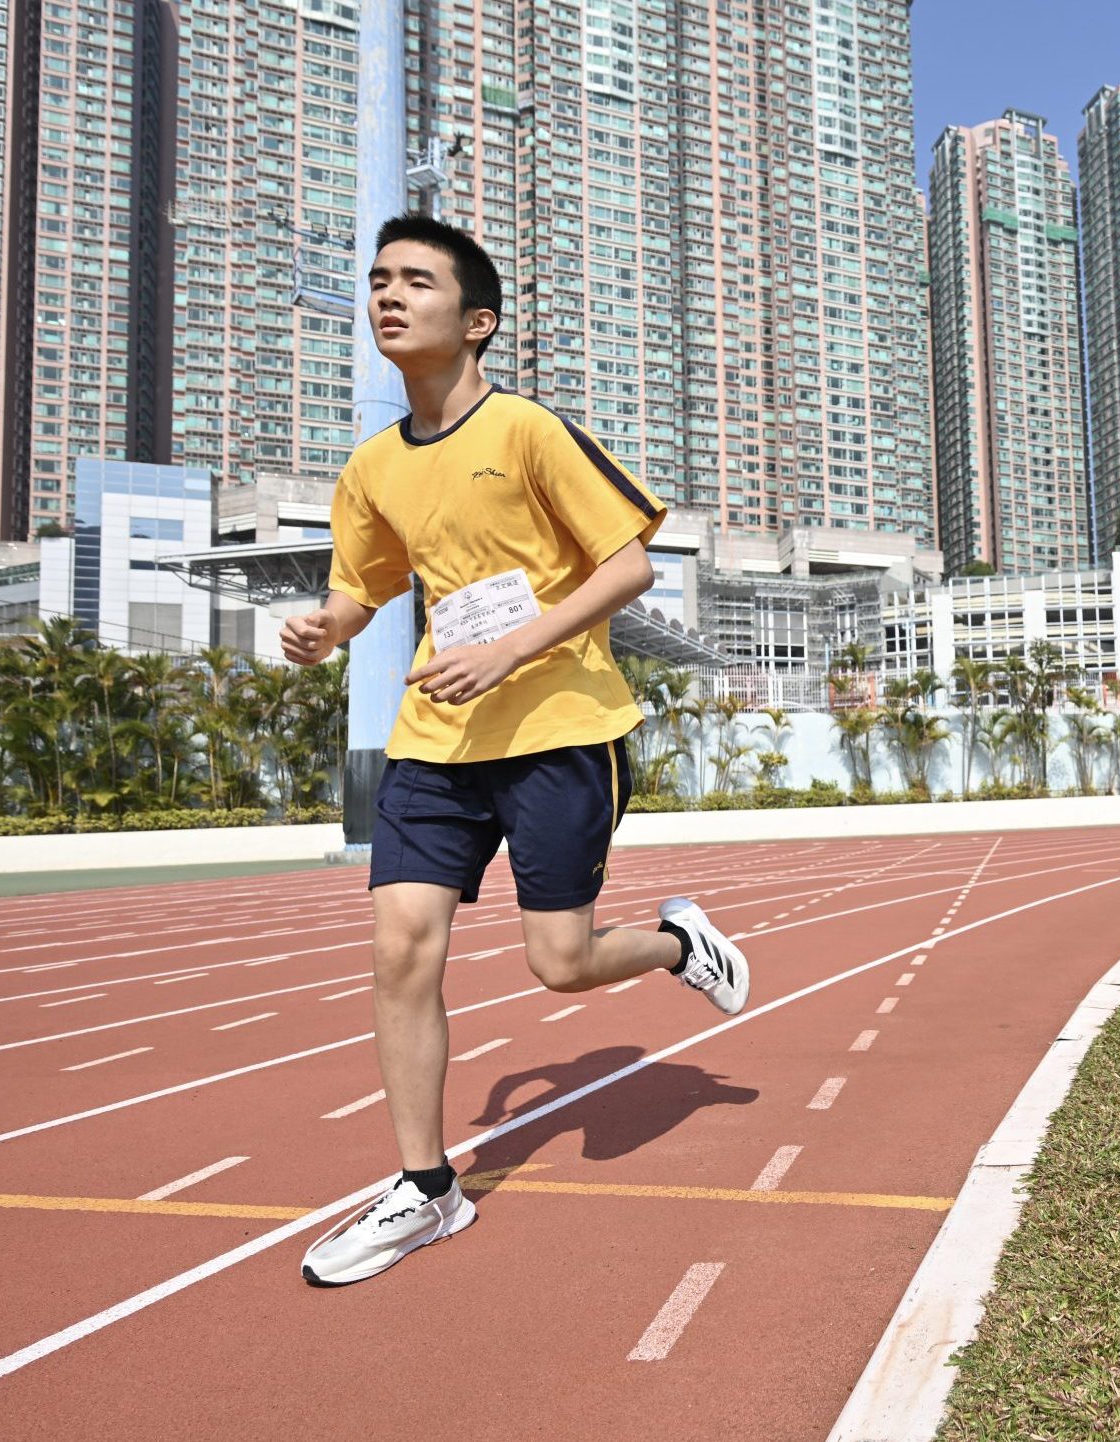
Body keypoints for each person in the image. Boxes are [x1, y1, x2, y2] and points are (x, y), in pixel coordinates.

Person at [280, 214, 749, 1287]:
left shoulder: (530, 431)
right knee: (401, 946)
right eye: (378, 282)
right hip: (437, 737)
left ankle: (682, 943)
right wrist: (327, 628)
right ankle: (426, 1188)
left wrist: (510, 650)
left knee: (560, 963)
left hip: (559, 730)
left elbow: (627, 565)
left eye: (416, 282)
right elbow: (365, 581)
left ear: (476, 320)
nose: (388, 296)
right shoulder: (371, 466)